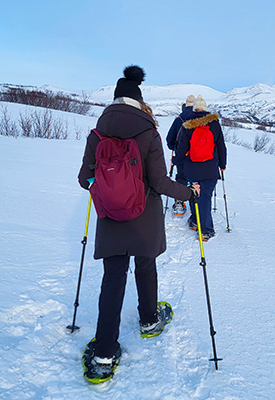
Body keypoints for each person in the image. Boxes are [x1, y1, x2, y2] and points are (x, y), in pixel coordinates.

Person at [77, 65, 199, 383]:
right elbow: (159, 182)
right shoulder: (148, 133)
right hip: (143, 216)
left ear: (115, 100)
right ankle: (149, 321)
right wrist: (188, 192)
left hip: (111, 217)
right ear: (139, 101)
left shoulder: (97, 132)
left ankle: (104, 352)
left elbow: (83, 179)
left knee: (113, 279)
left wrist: (105, 184)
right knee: (146, 266)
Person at [173, 95, 227, 241]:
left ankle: (197, 222)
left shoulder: (188, 126)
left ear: (195, 109)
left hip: (192, 169)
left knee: (194, 195)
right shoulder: (214, 124)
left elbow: (182, 148)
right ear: (205, 109)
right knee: (205, 198)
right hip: (210, 169)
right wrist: (222, 165)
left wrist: (175, 161)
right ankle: (206, 230)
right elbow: (221, 146)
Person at [165, 95, 196, 216]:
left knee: (181, 177)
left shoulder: (179, 119)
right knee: (195, 178)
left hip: (181, 155)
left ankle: (179, 202)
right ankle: (197, 203)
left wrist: (174, 147)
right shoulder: (203, 118)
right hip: (198, 156)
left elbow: (169, 139)